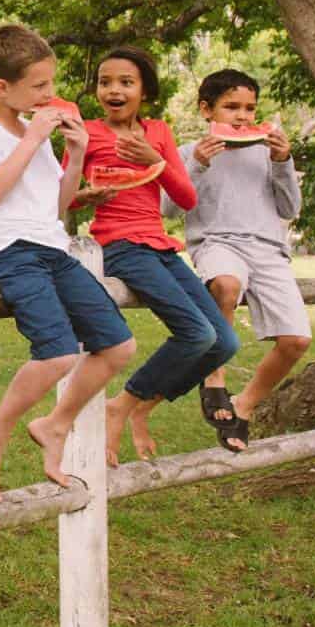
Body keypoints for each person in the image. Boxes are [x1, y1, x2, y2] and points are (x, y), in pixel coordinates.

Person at [0, 24, 137, 499]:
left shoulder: (34, 126)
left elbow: (56, 206)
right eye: (39, 86)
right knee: (57, 351)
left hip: (51, 245)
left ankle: (56, 424)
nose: (50, 94)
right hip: (4, 249)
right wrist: (31, 139)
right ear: (2, 87)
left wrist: (75, 156)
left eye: (51, 84)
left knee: (118, 347)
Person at [75, 46, 239, 460]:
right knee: (198, 333)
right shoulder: (87, 133)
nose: (114, 90)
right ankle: (120, 407)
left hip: (161, 246)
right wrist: (85, 196)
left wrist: (156, 161)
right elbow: (61, 198)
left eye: (125, 82)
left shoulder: (160, 133)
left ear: (144, 90)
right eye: (105, 81)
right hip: (120, 246)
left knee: (224, 343)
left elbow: (185, 199)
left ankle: (137, 408)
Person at [181, 69, 314, 439]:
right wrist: (198, 165)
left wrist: (283, 162)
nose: (242, 117)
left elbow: (289, 209)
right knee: (225, 285)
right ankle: (214, 375)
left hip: (269, 249)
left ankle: (245, 404)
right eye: (231, 107)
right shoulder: (187, 153)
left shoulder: (269, 153)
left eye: (250, 108)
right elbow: (170, 209)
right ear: (207, 110)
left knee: (297, 341)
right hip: (217, 242)